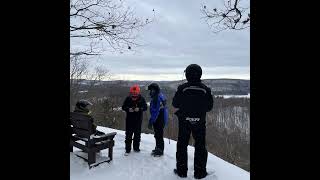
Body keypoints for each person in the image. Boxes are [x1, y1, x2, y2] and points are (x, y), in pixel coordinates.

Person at [172, 64, 214, 179]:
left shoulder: (182, 88)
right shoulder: (206, 89)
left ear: (187, 74)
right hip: (200, 122)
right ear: (200, 74)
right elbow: (209, 107)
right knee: (200, 146)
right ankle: (200, 173)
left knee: (182, 145)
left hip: (184, 121)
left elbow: (175, 104)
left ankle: (181, 171)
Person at [122, 84, 147, 155]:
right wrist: (128, 109)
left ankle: (136, 148)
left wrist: (139, 109)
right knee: (128, 135)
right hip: (129, 120)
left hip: (138, 120)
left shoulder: (142, 99)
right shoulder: (128, 98)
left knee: (137, 135)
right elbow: (123, 107)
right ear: (131, 92)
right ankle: (127, 149)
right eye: (133, 93)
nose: (134, 94)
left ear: (138, 92)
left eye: (135, 93)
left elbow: (145, 107)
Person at [147, 83, 168, 157]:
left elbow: (156, 112)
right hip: (161, 118)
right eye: (150, 90)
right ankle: (158, 148)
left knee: (159, 135)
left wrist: (151, 121)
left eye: (152, 90)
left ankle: (159, 150)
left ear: (155, 90)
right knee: (158, 135)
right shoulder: (160, 95)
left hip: (159, 119)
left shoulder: (157, 98)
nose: (151, 92)